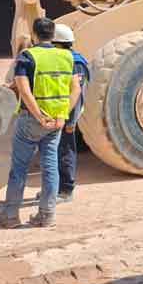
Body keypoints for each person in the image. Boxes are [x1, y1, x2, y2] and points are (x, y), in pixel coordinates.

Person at [0, 17, 82, 229]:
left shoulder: (27, 56)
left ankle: (10, 216)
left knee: (19, 169)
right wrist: (62, 114)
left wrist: (39, 116)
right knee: (50, 168)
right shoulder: (67, 57)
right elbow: (75, 89)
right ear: (53, 35)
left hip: (31, 121)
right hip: (56, 122)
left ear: (34, 34)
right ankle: (46, 215)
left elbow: (24, 89)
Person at [51, 23, 90, 204]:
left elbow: (77, 94)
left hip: (66, 116)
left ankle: (66, 190)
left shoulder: (74, 62)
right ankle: (54, 188)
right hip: (57, 115)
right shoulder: (64, 58)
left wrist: (70, 119)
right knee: (53, 152)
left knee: (65, 152)